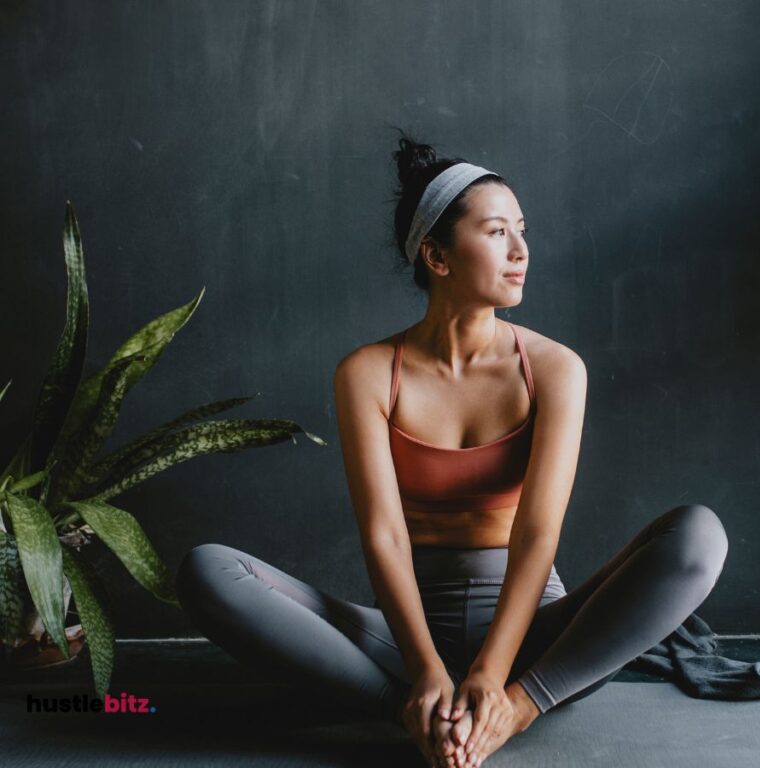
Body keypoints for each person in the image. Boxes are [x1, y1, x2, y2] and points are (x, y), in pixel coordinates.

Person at [175, 132, 730, 768]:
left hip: (539, 646)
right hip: (404, 643)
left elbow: (537, 534)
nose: (522, 251)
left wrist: (499, 682)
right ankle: (418, 711)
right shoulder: (367, 372)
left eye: (522, 230)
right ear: (437, 256)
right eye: (497, 233)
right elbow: (384, 537)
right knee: (208, 570)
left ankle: (514, 712)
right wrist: (427, 670)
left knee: (697, 536)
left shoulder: (554, 369)